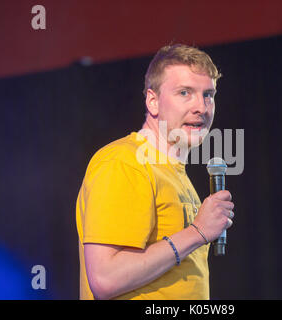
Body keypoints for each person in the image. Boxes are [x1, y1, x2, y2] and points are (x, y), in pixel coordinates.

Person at [76, 44, 235, 300]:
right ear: (153, 101)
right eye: (185, 92)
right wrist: (197, 232)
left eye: (208, 95)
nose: (202, 108)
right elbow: (105, 278)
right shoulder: (125, 162)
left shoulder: (173, 173)